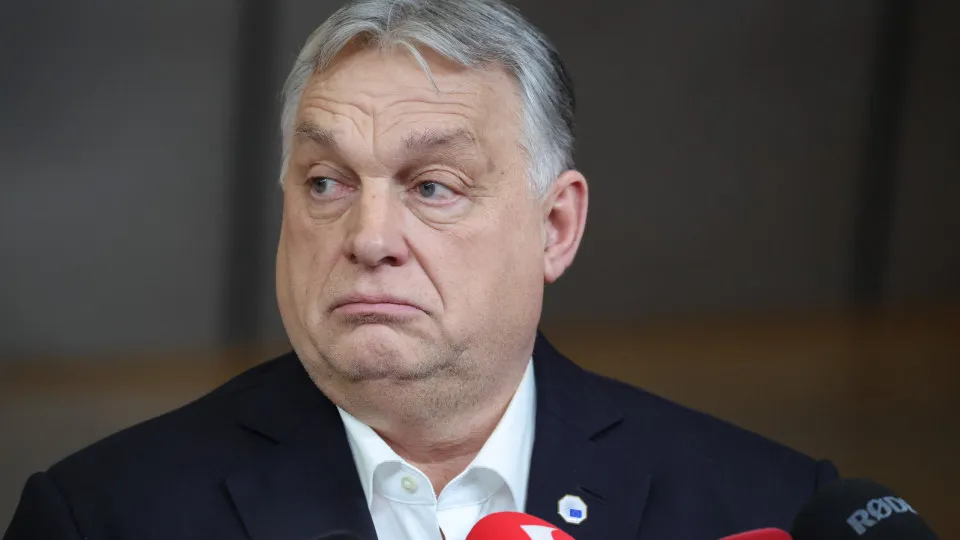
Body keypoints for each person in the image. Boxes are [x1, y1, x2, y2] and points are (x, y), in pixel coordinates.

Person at [3, 1, 839, 539]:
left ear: (555, 227)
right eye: (326, 183)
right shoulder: (103, 517)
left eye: (433, 186)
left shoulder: (772, 508)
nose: (370, 238)